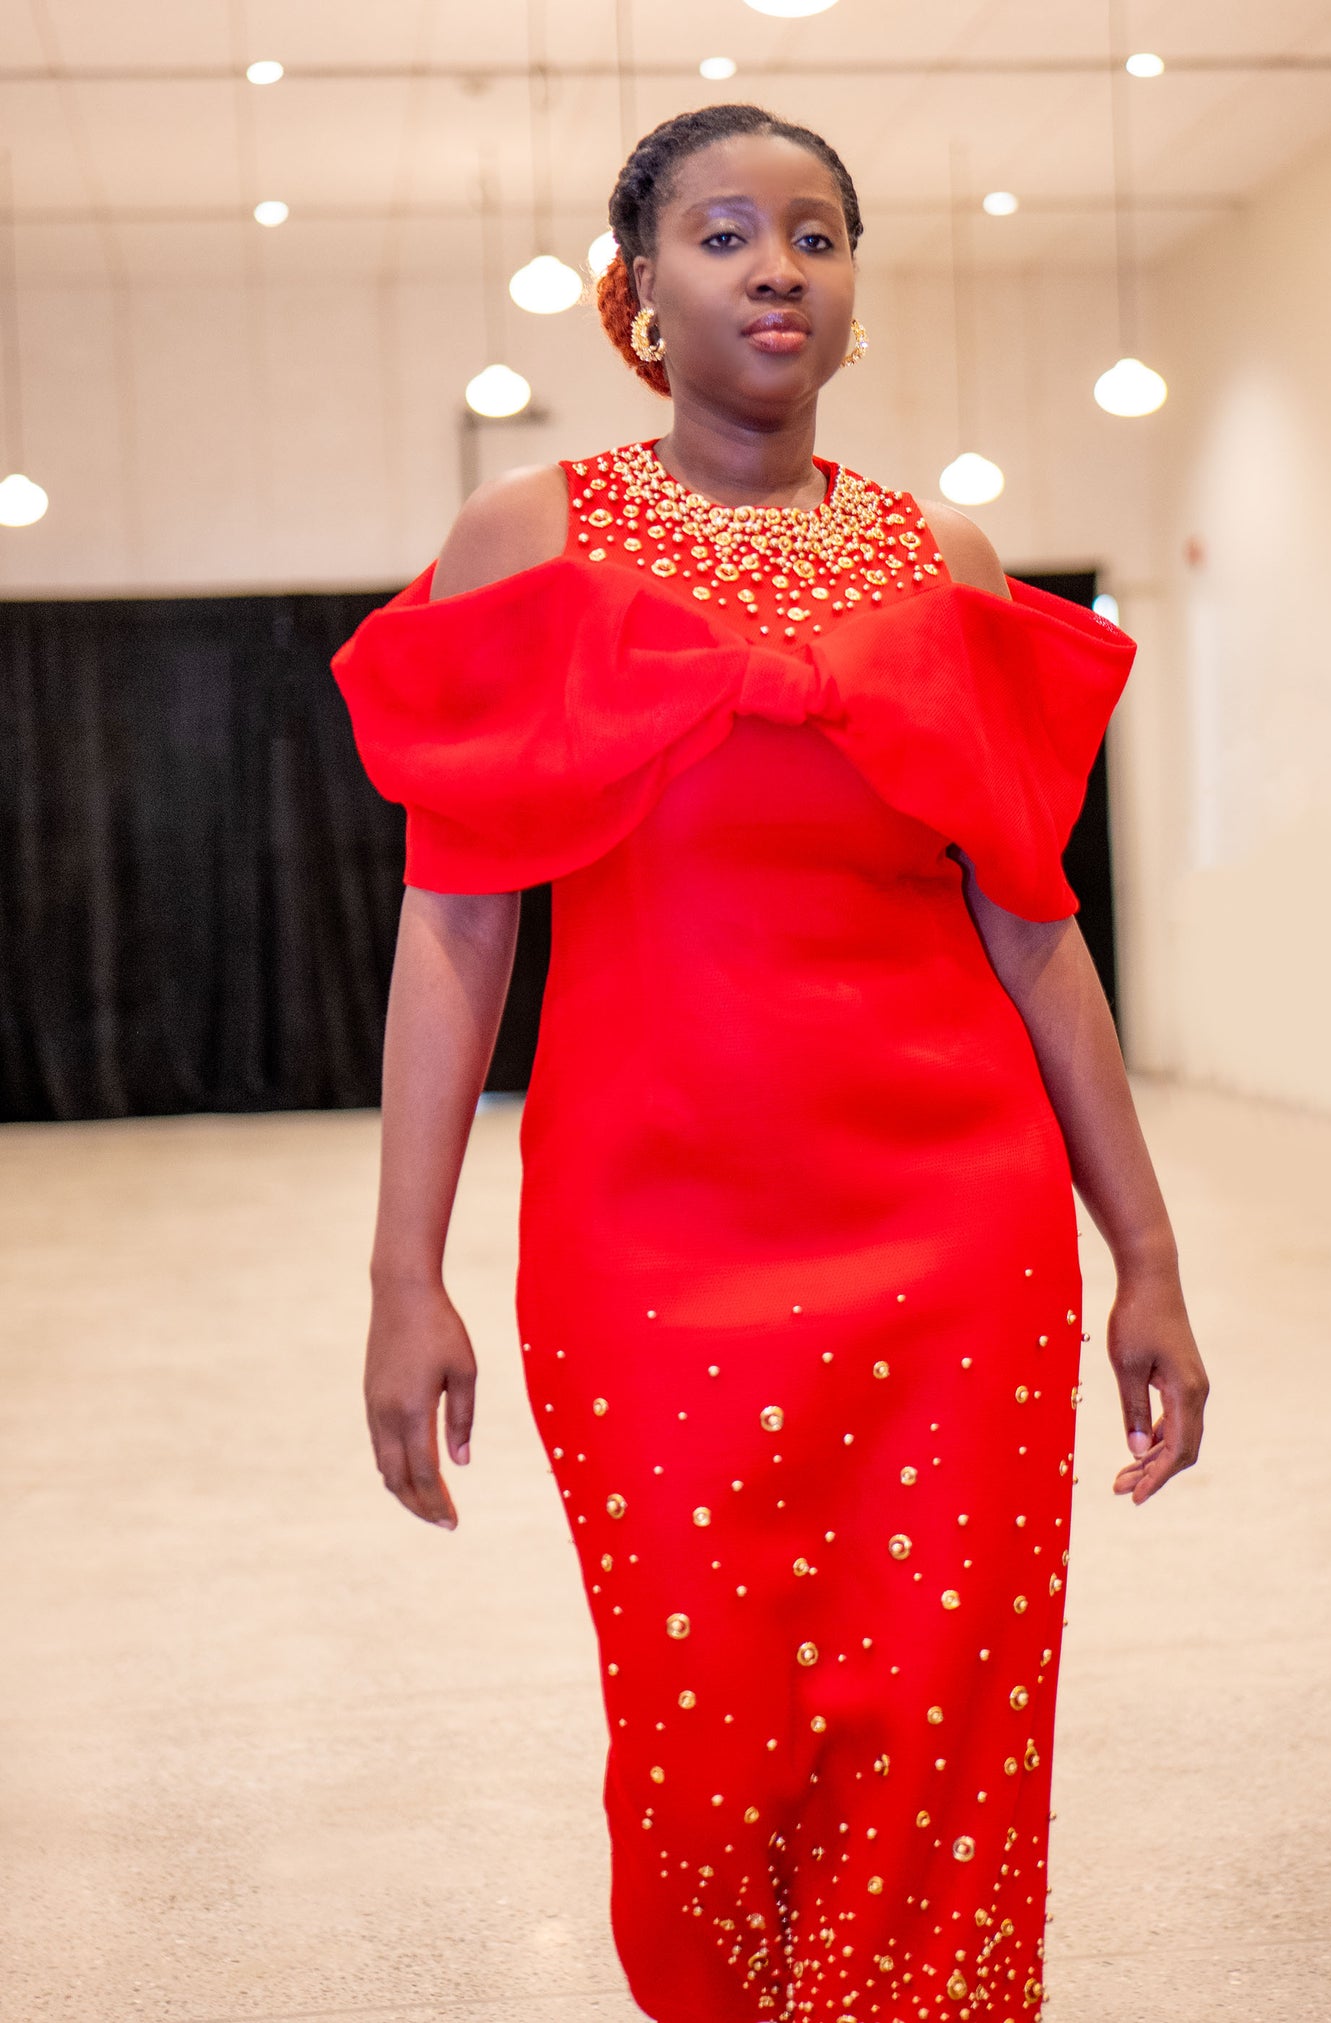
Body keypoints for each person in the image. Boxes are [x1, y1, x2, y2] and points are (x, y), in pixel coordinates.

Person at [332, 102, 1208, 2023]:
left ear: (852, 287)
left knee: (944, 1699)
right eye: (721, 235)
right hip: (643, 1234)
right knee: (698, 1714)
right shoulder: (528, 536)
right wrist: (406, 1273)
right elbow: (457, 926)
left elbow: (1033, 925)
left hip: (956, 1224)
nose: (774, 270)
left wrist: (1142, 1253)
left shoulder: (937, 553)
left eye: (813, 235)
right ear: (639, 293)